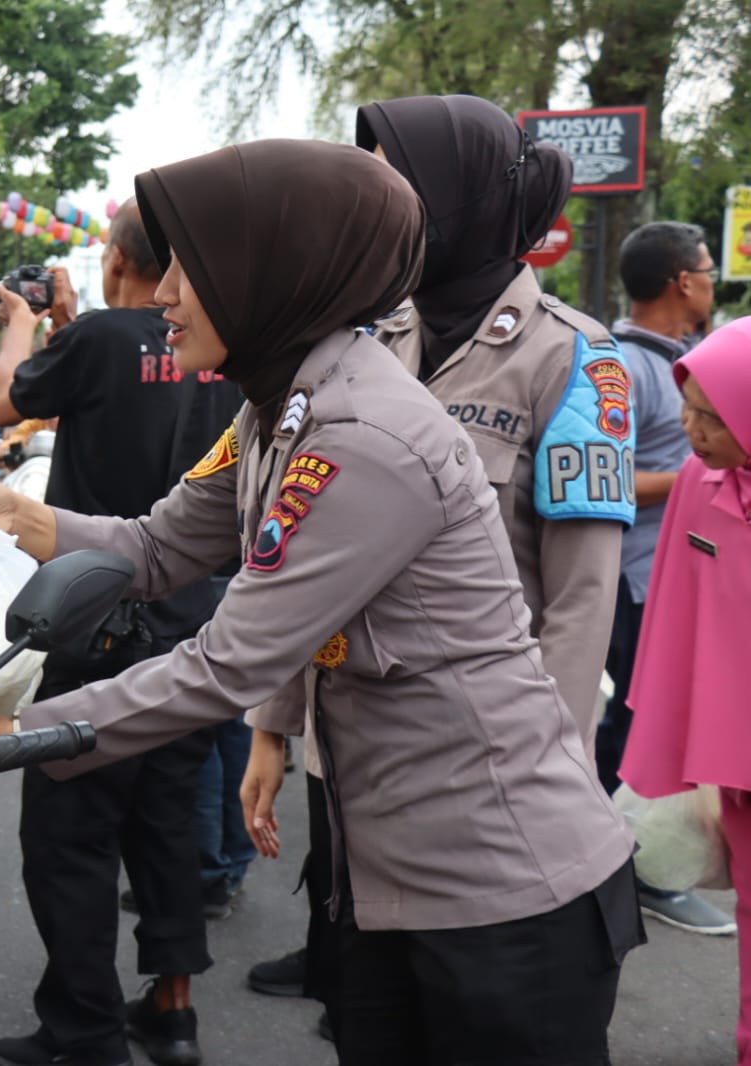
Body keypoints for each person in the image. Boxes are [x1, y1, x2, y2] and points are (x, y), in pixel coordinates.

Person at [0, 138, 641, 1066]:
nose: (161, 294)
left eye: (187, 267)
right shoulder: (275, 408)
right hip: (384, 875)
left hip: (500, 893)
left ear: (266, 270)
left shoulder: (359, 434)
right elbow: (158, 546)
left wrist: (0, 739)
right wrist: (8, 516)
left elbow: (227, 662)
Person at [248, 92, 641, 1018]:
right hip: (354, 766)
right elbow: (296, 553)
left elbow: (581, 605)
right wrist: (273, 721)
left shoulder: (577, 362)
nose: (373, 203)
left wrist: (545, 779)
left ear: (458, 195)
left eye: (395, 180)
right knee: (371, 1023)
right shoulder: (358, 348)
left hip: (492, 791)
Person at [0, 200, 245, 1066]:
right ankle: (172, 1011)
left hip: (93, 611)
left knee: (70, 828)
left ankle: (83, 1028)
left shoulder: (95, 336)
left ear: (119, 259)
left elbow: (4, 398)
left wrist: (22, 322)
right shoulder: (228, 349)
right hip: (192, 616)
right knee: (167, 820)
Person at [598, 221, 734, 936]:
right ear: (683, 281)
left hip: (671, 578)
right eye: (708, 268)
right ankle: (629, 868)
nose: (712, 280)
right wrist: (703, 469)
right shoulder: (623, 365)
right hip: (634, 579)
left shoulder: (680, 358)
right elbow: (604, 479)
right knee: (631, 725)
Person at [620, 319, 751, 1063]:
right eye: (688, 408)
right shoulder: (697, 485)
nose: (688, 430)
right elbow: (674, 617)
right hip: (732, 753)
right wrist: (681, 743)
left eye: (711, 415)